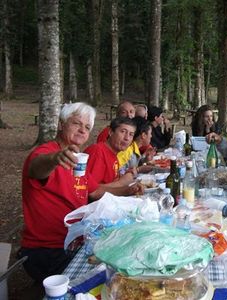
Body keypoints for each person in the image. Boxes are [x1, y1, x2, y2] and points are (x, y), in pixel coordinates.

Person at [18, 103, 143, 284]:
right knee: (114, 277)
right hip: (48, 250)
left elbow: (97, 190)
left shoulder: (79, 161)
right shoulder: (45, 153)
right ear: (61, 124)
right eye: (76, 123)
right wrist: (56, 158)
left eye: (87, 127)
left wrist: (128, 190)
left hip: (75, 241)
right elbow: (36, 168)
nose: (82, 130)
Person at [85, 117, 138, 185]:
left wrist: (124, 175)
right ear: (110, 132)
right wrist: (121, 182)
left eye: (131, 134)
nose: (127, 138)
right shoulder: (97, 151)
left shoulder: (114, 154)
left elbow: (109, 182)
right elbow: (91, 190)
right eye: (123, 132)